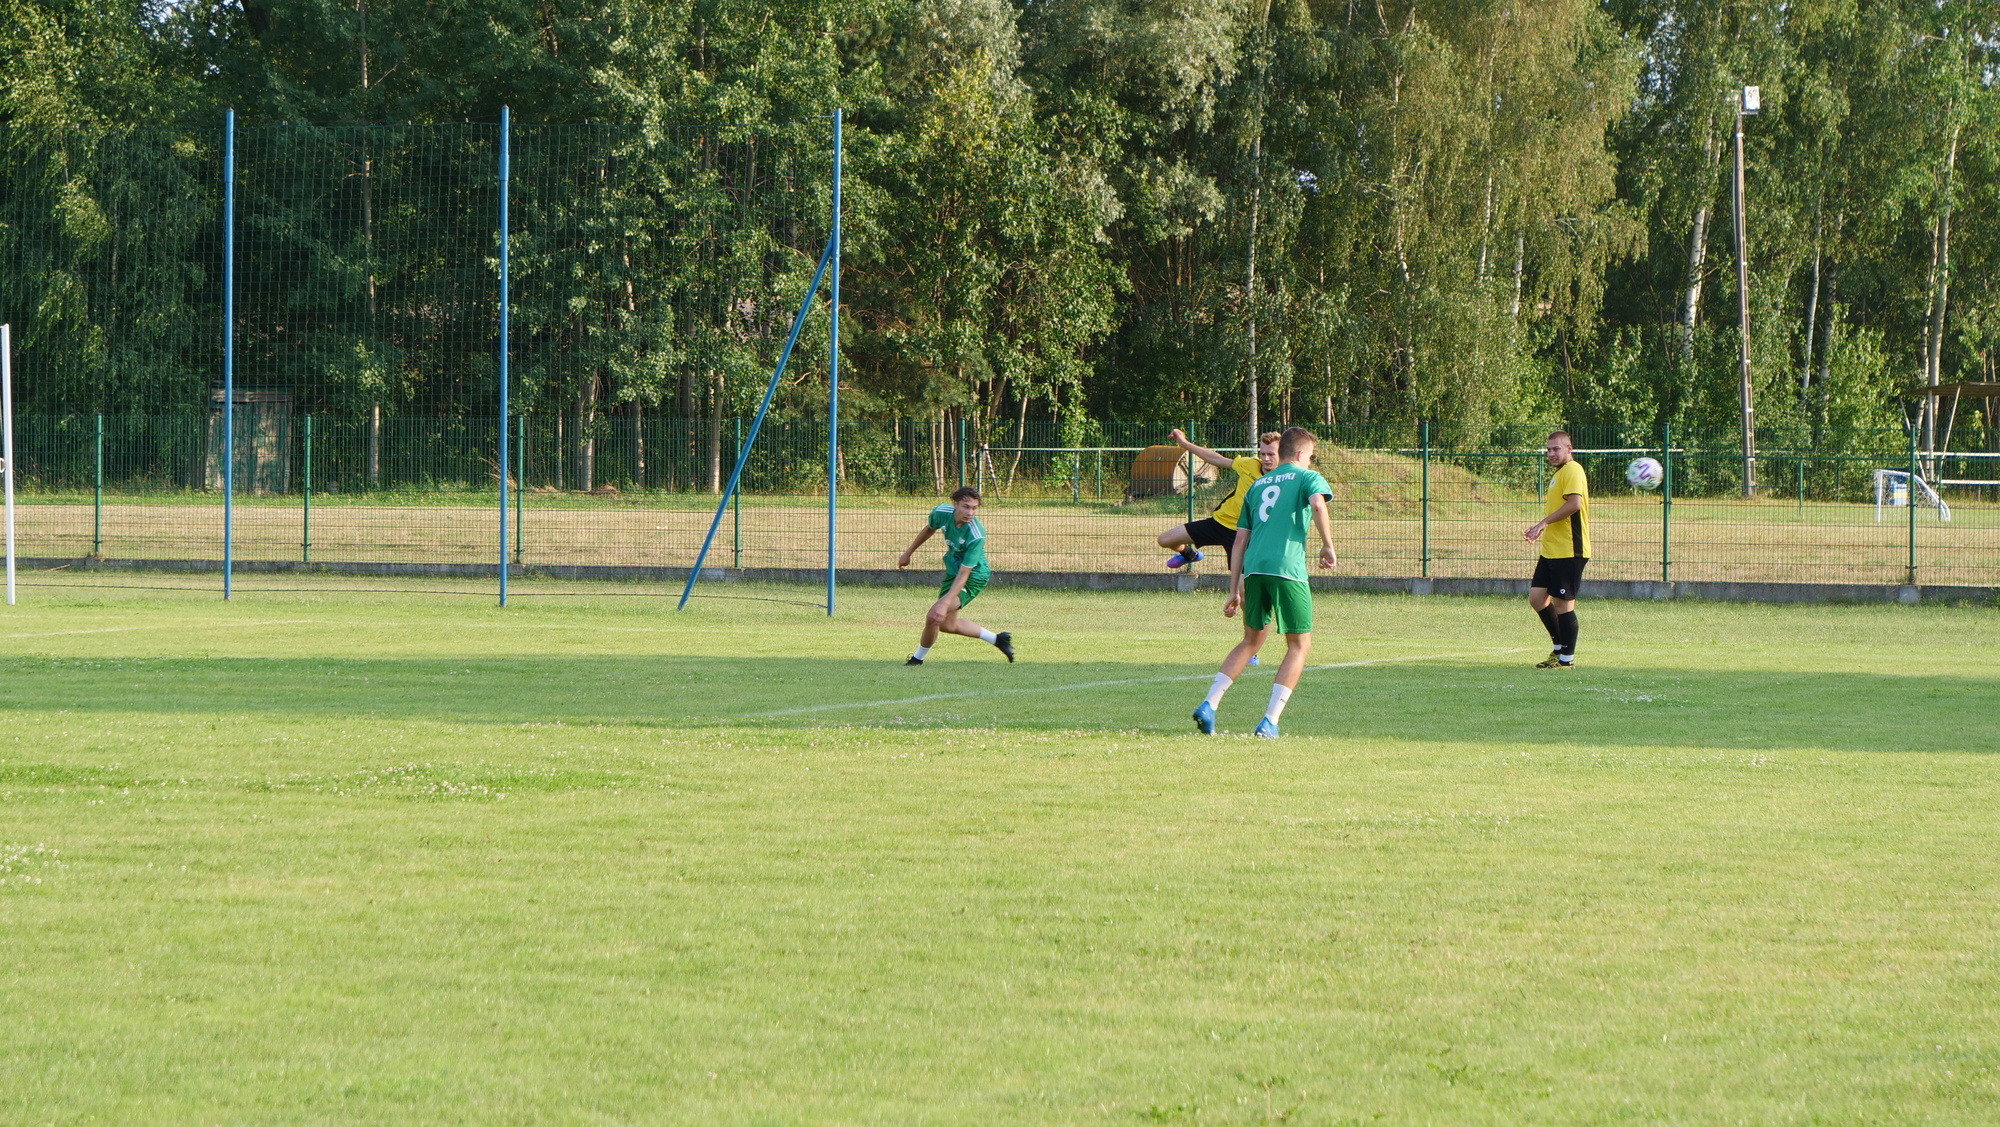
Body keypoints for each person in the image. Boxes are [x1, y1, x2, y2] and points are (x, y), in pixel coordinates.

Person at [1192, 427, 1337, 738]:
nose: (1310, 461)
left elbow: (1240, 540)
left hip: (1254, 570)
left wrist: (1234, 589)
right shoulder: (1307, 477)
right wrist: (1327, 545)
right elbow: (1317, 504)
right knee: (1299, 644)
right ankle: (1270, 721)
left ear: (1280, 452)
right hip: (1288, 569)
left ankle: (1209, 704)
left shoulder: (1258, 485)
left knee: (1251, 641)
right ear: (1301, 454)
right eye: (1310, 456)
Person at [897, 486, 1014, 665]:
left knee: (934, 615)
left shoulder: (976, 534)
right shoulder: (941, 513)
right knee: (946, 624)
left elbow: (965, 573)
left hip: (973, 576)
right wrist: (908, 553)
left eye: (974, 508)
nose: (970, 512)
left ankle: (916, 660)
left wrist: (944, 603)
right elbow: (929, 529)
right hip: (954, 571)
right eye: (966, 507)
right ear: (955, 505)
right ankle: (998, 639)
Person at [1157, 429, 1281, 570]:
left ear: (1282, 454)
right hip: (1218, 523)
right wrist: (1184, 443)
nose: (1265, 458)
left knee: (1241, 582)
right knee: (1164, 540)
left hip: (1243, 534)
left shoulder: (1286, 479)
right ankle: (1189, 555)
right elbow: (1217, 459)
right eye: (1263, 454)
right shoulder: (1249, 464)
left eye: (1271, 454)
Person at [1523, 429, 1590, 668]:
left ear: (1569, 449)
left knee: (1563, 604)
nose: (1551, 453)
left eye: (1556, 449)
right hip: (1552, 550)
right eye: (1548, 450)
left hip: (1569, 549)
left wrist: (1543, 522)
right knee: (1537, 598)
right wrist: (1542, 528)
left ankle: (1566, 660)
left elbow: (1574, 504)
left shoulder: (1573, 469)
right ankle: (1559, 648)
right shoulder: (1559, 473)